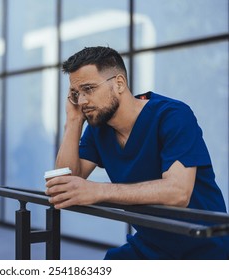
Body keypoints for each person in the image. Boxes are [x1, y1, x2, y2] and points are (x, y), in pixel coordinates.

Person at [46, 46, 229, 259]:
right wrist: (73, 121)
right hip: (151, 244)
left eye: (89, 89)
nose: (82, 101)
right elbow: (65, 184)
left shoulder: (173, 116)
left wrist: (99, 191)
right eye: (77, 94)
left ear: (119, 83)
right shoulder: (98, 128)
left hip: (204, 247)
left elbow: (178, 192)